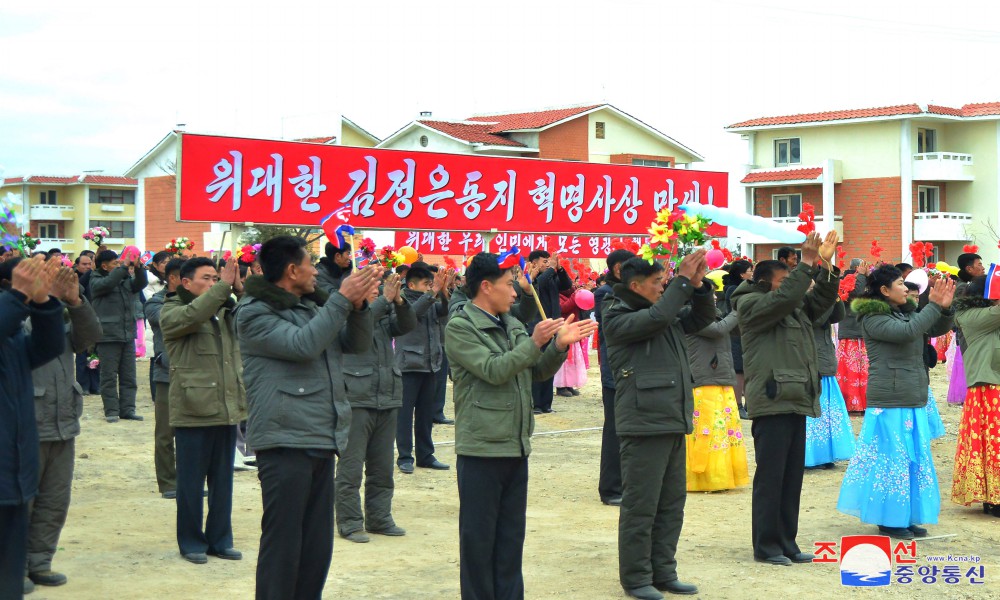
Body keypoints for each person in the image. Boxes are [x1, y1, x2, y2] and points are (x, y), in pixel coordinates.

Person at [235, 236, 379, 600]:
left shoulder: (312, 306)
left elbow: (357, 345)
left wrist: (359, 308)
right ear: (291, 270)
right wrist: (342, 300)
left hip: (320, 434)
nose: (317, 270)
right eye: (310, 263)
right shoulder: (254, 312)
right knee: (284, 545)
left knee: (316, 548)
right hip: (284, 439)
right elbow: (303, 345)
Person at [445, 252, 595, 600]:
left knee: (511, 538)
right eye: (509, 285)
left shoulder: (509, 322)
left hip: (515, 443)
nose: (515, 293)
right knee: (479, 541)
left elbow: (536, 372)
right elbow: (495, 370)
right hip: (482, 446)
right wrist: (536, 342)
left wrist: (557, 346)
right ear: (486, 286)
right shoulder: (461, 327)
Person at [603, 251, 714, 599]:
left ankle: (663, 571)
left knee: (670, 504)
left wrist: (697, 287)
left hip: (670, 418)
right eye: (656, 282)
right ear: (635, 286)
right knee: (641, 506)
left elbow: (702, 317)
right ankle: (636, 578)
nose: (662, 286)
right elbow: (659, 315)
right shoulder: (617, 315)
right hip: (644, 421)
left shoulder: (661, 312)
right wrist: (681, 281)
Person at [731, 231, 840, 566]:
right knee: (771, 477)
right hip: (772, 398)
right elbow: (781, 300)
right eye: (785, 278)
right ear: (764, 282)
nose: (793, 283)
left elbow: (822, 302)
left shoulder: (793, 306)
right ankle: (766, 546)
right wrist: (806, 264)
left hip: (796, 397)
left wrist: (826, 265)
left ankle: (787, 542)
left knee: (792, 478)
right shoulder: (750, 304)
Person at [837, 266, 955, 539]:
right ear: (884, 291)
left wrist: (945, 308)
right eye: (901, 283)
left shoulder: (906, 311)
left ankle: (906, 516)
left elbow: (934, 325)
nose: (906, 288)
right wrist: (932, 306)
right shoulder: (873, 316)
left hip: (911, 394)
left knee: (913, 459)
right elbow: (908, 331)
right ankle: (889, 520)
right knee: (891, 462)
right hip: (890, 399)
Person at [17, 260, 101, 589]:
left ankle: (40, 562)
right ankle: (15, 566)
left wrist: (76, 301)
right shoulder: (18, 316)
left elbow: (91, 337)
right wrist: (43, 302)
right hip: (28, 425)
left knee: (55, 500)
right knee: (22, 501)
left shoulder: (62, 313)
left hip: (64, 421)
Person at [161, 257, 248, 564]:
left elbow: (254, 314)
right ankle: (191, 541)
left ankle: (220, 540)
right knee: (191, 483)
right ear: (185, 283)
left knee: (223, 481)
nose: (214, 283)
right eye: (207, 278)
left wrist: (241, 288)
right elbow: (195, 313)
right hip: (193, 409)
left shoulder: (224, 310)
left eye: (216, 278)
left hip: (225, 408)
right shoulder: (173, 311)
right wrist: (224, 286)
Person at [332, 273, 416, 543]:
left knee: (382, 467)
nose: (376, 294)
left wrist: (400, 301)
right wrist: (383, 302)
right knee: (351, 467)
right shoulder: (344, 314)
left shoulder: (381, 315)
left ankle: (379, 518)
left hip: (387, 397)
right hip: (357, 399)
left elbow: (407, 324)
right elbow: (359, 325)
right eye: (370, 290)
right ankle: (350, 522)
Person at [0, 255, 64, 599]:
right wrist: (17, 296)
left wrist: (42, 300)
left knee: (8, 577)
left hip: (12, 474)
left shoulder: (9, 340)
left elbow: (49, 346)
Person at [684, 297, 749, 492]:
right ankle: (706, 478)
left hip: (718, 377)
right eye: (708, 294)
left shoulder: (713, 315)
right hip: (705, 379)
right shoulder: (690, 314)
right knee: (707, 431)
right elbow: (718, 330)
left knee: (723, 431)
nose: (713, 297)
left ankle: (720, 475)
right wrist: (737, 311)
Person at [394, 266, 451, 473]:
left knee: (426, 414)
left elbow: (444, 312)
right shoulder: (401, 301)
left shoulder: (430, 299)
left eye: (430, 283)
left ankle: (425, 455)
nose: (429, 287)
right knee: (404, 415)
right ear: (411, 284)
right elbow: (411, 315)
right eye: (426, 284)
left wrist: (443, 292)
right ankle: (404, 456)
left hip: (430, 364)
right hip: (409, 366)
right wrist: (433, 293)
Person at [952, 275, 1000, 516]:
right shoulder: (972, 316)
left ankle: (994, 497)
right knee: (992, 445)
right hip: (988, 389)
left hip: (992, 386)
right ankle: (993, 498)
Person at [593, 249, 635, 506]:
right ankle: (610, 488)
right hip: (614, 372)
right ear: (619, 269)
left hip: (631, 371)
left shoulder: (622, 291)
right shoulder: (605, 294)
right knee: (614, 431)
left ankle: (626, 483)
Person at [89, 249, 148, 422]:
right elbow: (108, 283)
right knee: (108, 376)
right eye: (115, 263)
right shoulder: (96, 280)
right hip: (108, 336)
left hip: (127, 334)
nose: (119, 266)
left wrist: (138, 268)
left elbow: (141, 283)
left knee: (129, 376)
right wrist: (123, 268)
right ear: (104, 266)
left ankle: (128, 409)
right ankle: (111, 411)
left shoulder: (124, 280)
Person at [145, 258, 184, 499]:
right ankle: (168, 482)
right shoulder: (155, 302)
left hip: (194, 375)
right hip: (166, 374)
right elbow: (168, 320)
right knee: (165, 433)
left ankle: (188, 480)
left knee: (191, 434)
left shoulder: (198, 302)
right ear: (172, 278)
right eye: (185, 276)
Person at [804, 291, 854, 468]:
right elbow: (816, 319)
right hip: (811, 365)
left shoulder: (820, 302)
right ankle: (810, 457)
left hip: (824, 362)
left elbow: (837, 316)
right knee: (814, 416)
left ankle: (826, 455)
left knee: (828, 416)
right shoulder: (801, 304)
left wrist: (836, 297)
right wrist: (827, 301)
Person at [527, 250, 572, 414]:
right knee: (537, 364)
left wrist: (559, 269)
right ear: (534, 263)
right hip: (538, 326)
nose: (548, 264)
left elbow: (567, 286)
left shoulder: (551, 275)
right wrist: (551, 269)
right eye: (544, 262)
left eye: (549, 261)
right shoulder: (530, 277)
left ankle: (546, 404)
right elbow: (538, 284)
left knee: (550, 363)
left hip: (554, 324)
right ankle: (535, 403)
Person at [948, 252, 986, 407]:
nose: (983, 268)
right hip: (967, 334)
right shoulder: (963, 287)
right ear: (969, 268)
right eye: (979, 265)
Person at [836, 263, 869, 412]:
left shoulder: (863, 280)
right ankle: (852, 404)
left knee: (864, 371)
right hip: (851, 335)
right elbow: (856, 294)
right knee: (850, 371)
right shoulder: (846, 281)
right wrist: (861, 276)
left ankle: (863, 403)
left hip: (861, 334)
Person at [722, 260, 753, 419]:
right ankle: (738, 405)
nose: (752, 273)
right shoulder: (734, 289)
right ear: (741, 274)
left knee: (748, 369)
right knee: (739, 370)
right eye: (749, 270)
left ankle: (749, 404)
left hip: (746, 332)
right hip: (736, 333)